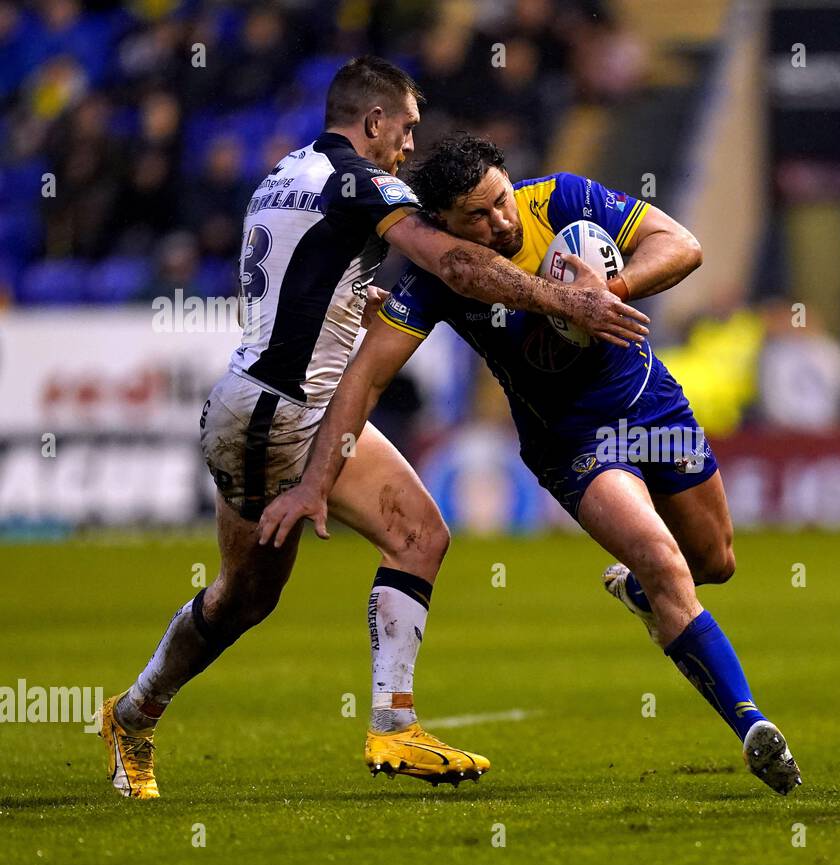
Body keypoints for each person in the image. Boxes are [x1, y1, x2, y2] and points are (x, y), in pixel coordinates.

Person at [100, 56, 649, 799]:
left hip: (269, 404)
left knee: (319, 571)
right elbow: (454, 262)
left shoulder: (282, 174)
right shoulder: (361, 179)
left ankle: (162, 714)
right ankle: (146, 714)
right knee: (248, 595)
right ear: (375, 121)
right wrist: (563, 303)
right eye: (407, 129)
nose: (408, 148)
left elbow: (307, 275)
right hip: (278, 416)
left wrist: (356, 301)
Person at [259, 132, 802, 795]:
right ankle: (751, 725)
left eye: (498, 202)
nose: (499, 223)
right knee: (662, 559)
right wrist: (317, 478)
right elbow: (365, 380)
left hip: (653, 407)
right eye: (476, 219)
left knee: (713, 562)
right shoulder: (441, 274)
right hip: (574, 444)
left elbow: (683, 245)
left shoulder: (564, 201)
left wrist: (612, 290)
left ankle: (640, 596)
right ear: (444, 226)